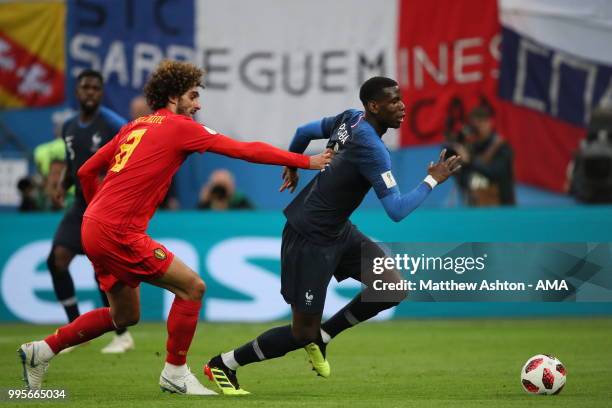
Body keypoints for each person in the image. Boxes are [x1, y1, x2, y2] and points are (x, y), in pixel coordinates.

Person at [18, 59, 332, 395]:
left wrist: (97, 210)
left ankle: (42, 351)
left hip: (93, 225)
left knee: (123, 315)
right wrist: (305, 161)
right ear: (173, 96)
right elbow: (244, 150)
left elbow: (84, 172)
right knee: (192, 288)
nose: (197, 105)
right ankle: (175, 372)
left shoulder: (133, 126)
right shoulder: (180, 127)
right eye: (193, 96)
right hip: (116, 230)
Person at [204, 77, 461, 395]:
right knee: (301, 334)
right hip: (310, 237)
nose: (402, 106)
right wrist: (431, 180)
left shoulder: (349, 118)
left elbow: (303, 132)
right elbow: (396, 210)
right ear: (374, 106)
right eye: (394, 101)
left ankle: (324, 336)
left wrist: (294, 164)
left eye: (401, 99)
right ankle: (223, 364)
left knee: (391, 287)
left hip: (338, 230)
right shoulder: (373, 149)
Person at [44, 69, 135, 354]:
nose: (91, 92)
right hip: (80, 205)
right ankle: (74, 329)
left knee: (103, 274)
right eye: (86, 87)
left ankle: (122, 334)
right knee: (56, 260)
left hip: (106, 208)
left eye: (96, 88)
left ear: (101, 92)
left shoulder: (114, 124)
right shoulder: (69, 126)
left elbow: (131, 161)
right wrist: (63, 184)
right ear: (78, 91)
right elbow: (76, 165)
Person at [448, 105, 515, 206]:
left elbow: (496, 173)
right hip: (475, 206)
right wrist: (457, 166)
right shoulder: (471, 147)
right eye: (474, 125)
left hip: (501, 207)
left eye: (481, 123)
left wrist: (470, 160)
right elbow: (464, 181)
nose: (478, 128)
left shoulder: (501, 147)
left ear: (489, 122)